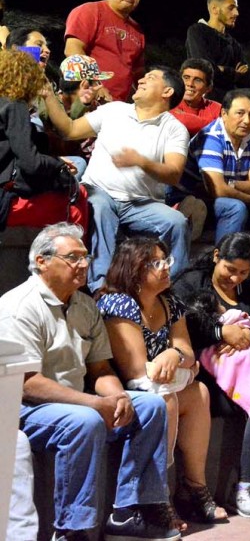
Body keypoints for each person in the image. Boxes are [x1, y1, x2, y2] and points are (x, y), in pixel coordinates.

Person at [0, 223, 177, 541]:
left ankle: (129, 514)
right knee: (85, 421)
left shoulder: (84, 306)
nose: (83, 264)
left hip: (74, 399)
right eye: (73, 257)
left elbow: (100, 368)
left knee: (150, 405)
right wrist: (95, 403)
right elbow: (27, 384)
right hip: (22, 407)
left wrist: (118, 397)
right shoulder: (19, 307)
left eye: (85, 257)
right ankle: (72, 529)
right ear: (42, 261)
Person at [96, 237, 227, 529]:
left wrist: (173, 354)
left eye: (166, 260)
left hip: (162, 385)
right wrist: (180, 361)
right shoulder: (118, 303)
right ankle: (157, 497)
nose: (166, 267)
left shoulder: (170, 302)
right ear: (134, 269)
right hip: (122, 389)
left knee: (200, 392)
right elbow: (137, 372)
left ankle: (193, 487)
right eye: (156, 263)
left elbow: (187, 353)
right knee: (164, 400)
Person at [39, 65, 190, 293]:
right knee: (100, 206)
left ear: (167, 92)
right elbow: (69, 130)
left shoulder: (174, 129)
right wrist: (49, 95)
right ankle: (101, 289)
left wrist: (142, 161)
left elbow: (174, 172)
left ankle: (174, 291)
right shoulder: (114, 110)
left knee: (177, 223)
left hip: (140, 204)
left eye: (150, 78)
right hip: (99, 191)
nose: (141, 81)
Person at [170, 232, 250, 519]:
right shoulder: (190, 283)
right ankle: (245, 487)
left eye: (243, 273)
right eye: (230, 269)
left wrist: (247, 335)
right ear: (216, 256)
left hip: (248, 370)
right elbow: (185, 329)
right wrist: (221, 332)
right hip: (205, 374)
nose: (235, 278)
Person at [175, 90, 250, 252]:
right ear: (224, 114)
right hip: (195, 200)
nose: (246, 120)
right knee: (235, 208)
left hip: (226, 198)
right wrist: (248, 198)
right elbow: (217, 190)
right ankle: (223, 262)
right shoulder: (211, 137)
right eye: (240, 113)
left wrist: (230, 185)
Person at [0, 49, 88, 231]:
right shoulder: (14, 105)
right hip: (5, 198)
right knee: (78, 197)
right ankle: (76, 249)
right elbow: (30, 164)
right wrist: (58, 165)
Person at [64, 0, 146, 102]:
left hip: (117, 105)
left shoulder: (138, 31)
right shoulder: (90, 11)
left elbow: (138, 73)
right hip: (86, 100)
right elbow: (72, 51)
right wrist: (95, 84)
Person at [185, 0, 250, 102]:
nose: (236, 13)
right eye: (231, 8)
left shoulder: (234, 44)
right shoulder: (197, 31)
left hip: (230, 106)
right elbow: (206, 70)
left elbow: (247, 80)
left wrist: (223, 70)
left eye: (236, 8)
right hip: (205, 104)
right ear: (214, 9)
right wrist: (234, 73)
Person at [169, 59, 221, 136]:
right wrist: (214, 125)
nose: (190, 84)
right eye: (186, 78)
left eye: (198, 80)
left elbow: (227, 129)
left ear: (208, 88)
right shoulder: (169, 103)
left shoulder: (217, 108)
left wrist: (184, 117)